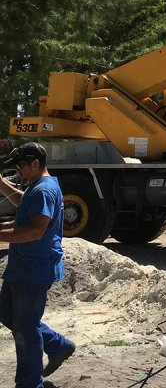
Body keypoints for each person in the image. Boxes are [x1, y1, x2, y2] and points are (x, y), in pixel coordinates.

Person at [0, 142, 75, 388]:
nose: (19, 171)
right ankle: (57, 345)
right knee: (7, 314)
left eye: (22, 166)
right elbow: (26, 202)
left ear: (35, 164)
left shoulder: (43, 190)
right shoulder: (40, 187)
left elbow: (35, 231)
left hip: (33, 269)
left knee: (25, 329)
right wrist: (1, 184)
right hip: (23, 266)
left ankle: (30, 384)